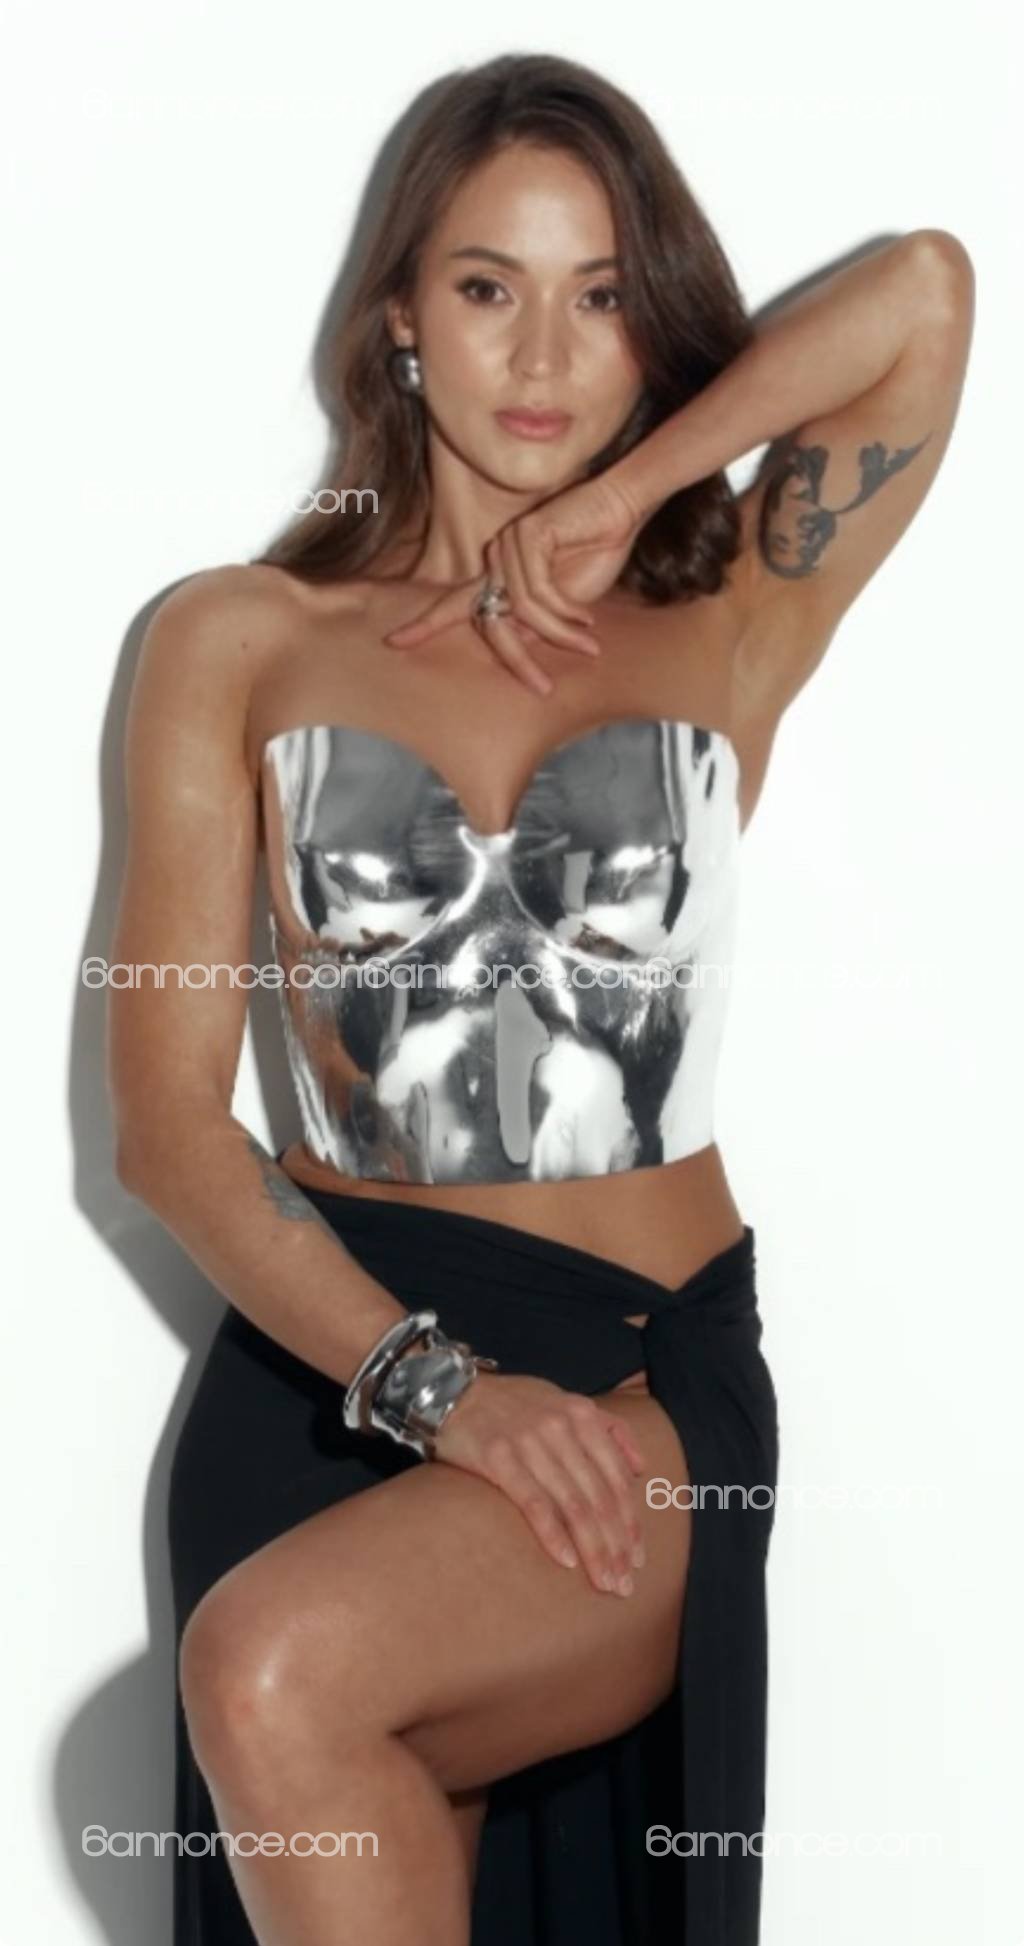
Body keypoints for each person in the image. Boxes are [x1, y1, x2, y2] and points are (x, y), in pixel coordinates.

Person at [105, 50, 975, 1946]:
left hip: (648, 1370)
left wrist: (632, 494)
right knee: (282, 1672)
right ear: (399, 316)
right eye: (489, 285)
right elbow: (167, 1128)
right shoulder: (235, 639)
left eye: (601, 297)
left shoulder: (723, 623)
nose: (544, 354)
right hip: (334, 1366)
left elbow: (925, 292)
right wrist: (442, 1391)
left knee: (274, 1663)